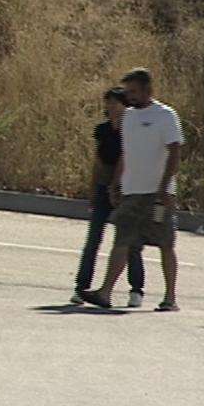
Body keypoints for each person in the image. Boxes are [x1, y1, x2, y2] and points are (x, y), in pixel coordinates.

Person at [80, 68, 184, 311]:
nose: (130, 96)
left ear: (148, 90)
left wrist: (164, 187)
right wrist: (116, 183)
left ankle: (170, 298)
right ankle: (105, 293)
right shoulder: (128, 117)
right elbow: (126, 154)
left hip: (159, 195)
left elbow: (175, 152)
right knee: (123, 240)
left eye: (134, 91)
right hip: (131, 192)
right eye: (127, 92)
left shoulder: (165, 116)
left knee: (166, 243)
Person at [71, 88, 145, 307]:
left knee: (129, 242)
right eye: (108, 103)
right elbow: (98, 162)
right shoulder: (103, 130)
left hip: (127, 190)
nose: (111, 107)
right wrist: (93, 189)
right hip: (104, 188)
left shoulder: (134, 130)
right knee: (93, 240)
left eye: (116, 103)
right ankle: (81, 287)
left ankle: (136, 289)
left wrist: (121, 186)